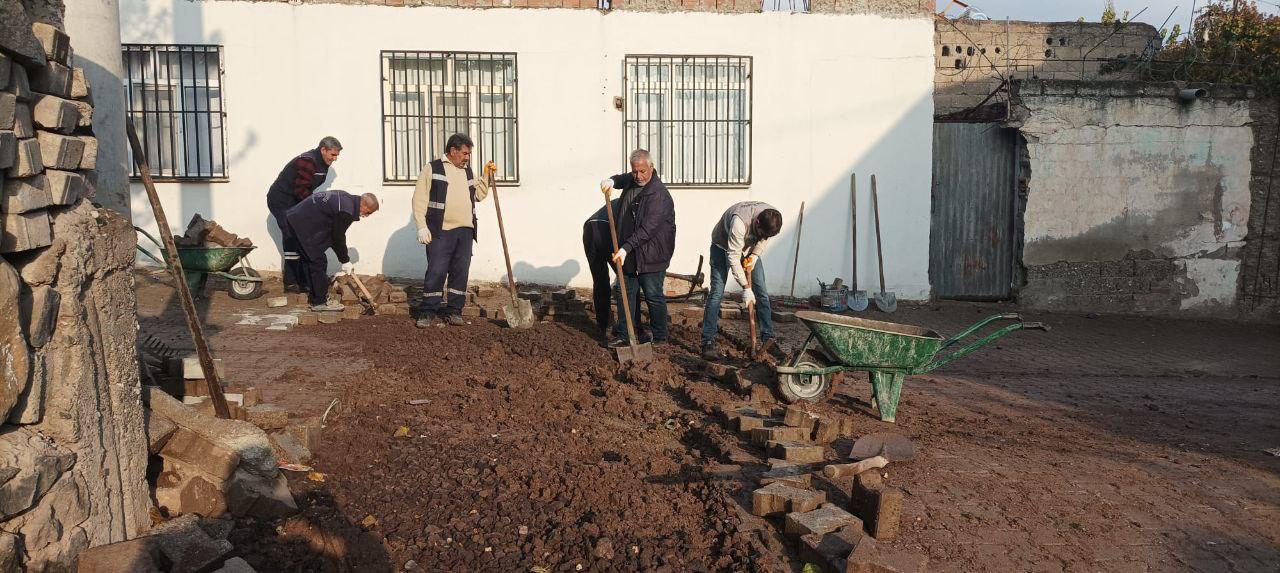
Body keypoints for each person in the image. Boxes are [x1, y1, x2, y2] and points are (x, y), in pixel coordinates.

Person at [413, 133, 496, 328]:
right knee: (437, 271)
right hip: (440, 230)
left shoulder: (467, 171)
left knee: (460, 271)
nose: (467, 157)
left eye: (469, 154)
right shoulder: (432, 169)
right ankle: (427, 311)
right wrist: (421, 226)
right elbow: (419, 199)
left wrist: (487, 176)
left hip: (465, 231)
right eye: (465, 153)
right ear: (453, 151)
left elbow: (479, 195)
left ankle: (454, 311)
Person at [599, 149, 675, 346]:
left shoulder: (659, 195)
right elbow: (624, 179)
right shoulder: (633, 179)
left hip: (651, 254)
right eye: (635, 172)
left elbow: (647, 229)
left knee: (653, 295)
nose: (638, 176)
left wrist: (625, 248)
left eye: (642, 171)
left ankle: (660, 337)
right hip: (629, 251)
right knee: (625, 293)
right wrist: (612, 181)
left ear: (651, 168)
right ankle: (626, 334)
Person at [700, 202, 783, 361]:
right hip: (722, 246)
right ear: (757, 222)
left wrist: (755, 255)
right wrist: (745, 287)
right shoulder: (739, 223)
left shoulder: (772, 217)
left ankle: (768, 340)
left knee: (762, 294)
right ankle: (707, 341)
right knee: (717, 293)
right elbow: (733, 257)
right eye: (762, 233)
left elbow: (764, 239)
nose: (764, 237)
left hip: (748, 249)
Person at [266, 137, 342, 293]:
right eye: (332, 155)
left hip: (294, 200)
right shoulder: (308, 161)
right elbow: (301, 190)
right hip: (281, 200)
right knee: (291, 236)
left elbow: (306, 190)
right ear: (323, 150)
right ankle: (292, 282)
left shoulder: (323, 164)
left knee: (301, 235)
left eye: (336, 156)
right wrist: (315, 210)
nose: (335, 159)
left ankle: (304, 280)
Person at [283, 190, 379, 312]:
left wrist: (343, 258)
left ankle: (315, 298)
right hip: (301, 223)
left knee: (311, 259)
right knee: (318, 261)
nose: (366, 216)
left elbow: (333, 234)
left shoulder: (346, 199)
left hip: (294, 218)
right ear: (364, 205)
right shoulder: (346, 211)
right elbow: (337, 236)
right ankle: (320, 302)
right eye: (368, 212)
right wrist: (345, 260)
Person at [582, 199, 620, 341]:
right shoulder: (631, 202)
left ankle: (603, 325)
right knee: (627, 282)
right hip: (606, 231)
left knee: (601, 281)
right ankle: (626, 327)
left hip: (589, 229)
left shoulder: (617, 201)